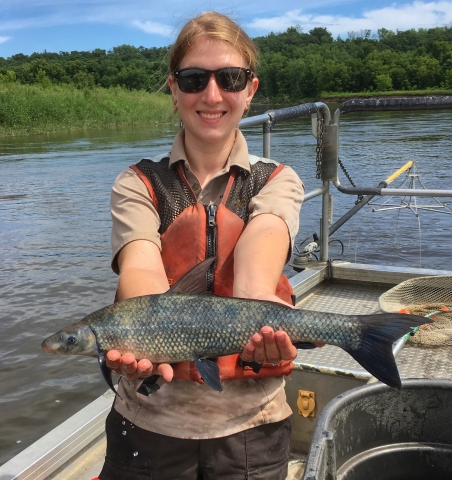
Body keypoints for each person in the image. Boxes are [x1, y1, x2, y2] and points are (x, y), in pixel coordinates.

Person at [98, 11, 307, 480]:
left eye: (230, 78)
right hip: (151, 423)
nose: (212, 95)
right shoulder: (138, 184)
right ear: (174, 90)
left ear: (250, 90)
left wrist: (256, 312)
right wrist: (139, 337)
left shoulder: (276, 180)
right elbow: (141, 270)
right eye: (194, 80)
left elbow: (265, 240)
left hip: (252, 427)